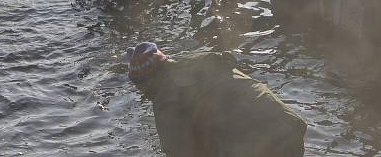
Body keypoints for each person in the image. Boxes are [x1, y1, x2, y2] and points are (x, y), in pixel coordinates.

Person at [126, 42, 306, 157]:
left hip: (261, 147)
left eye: (138, 86)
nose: (140, 92)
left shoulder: (166, 99)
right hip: (288, 125)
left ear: (146, 82)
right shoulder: (200, 61)